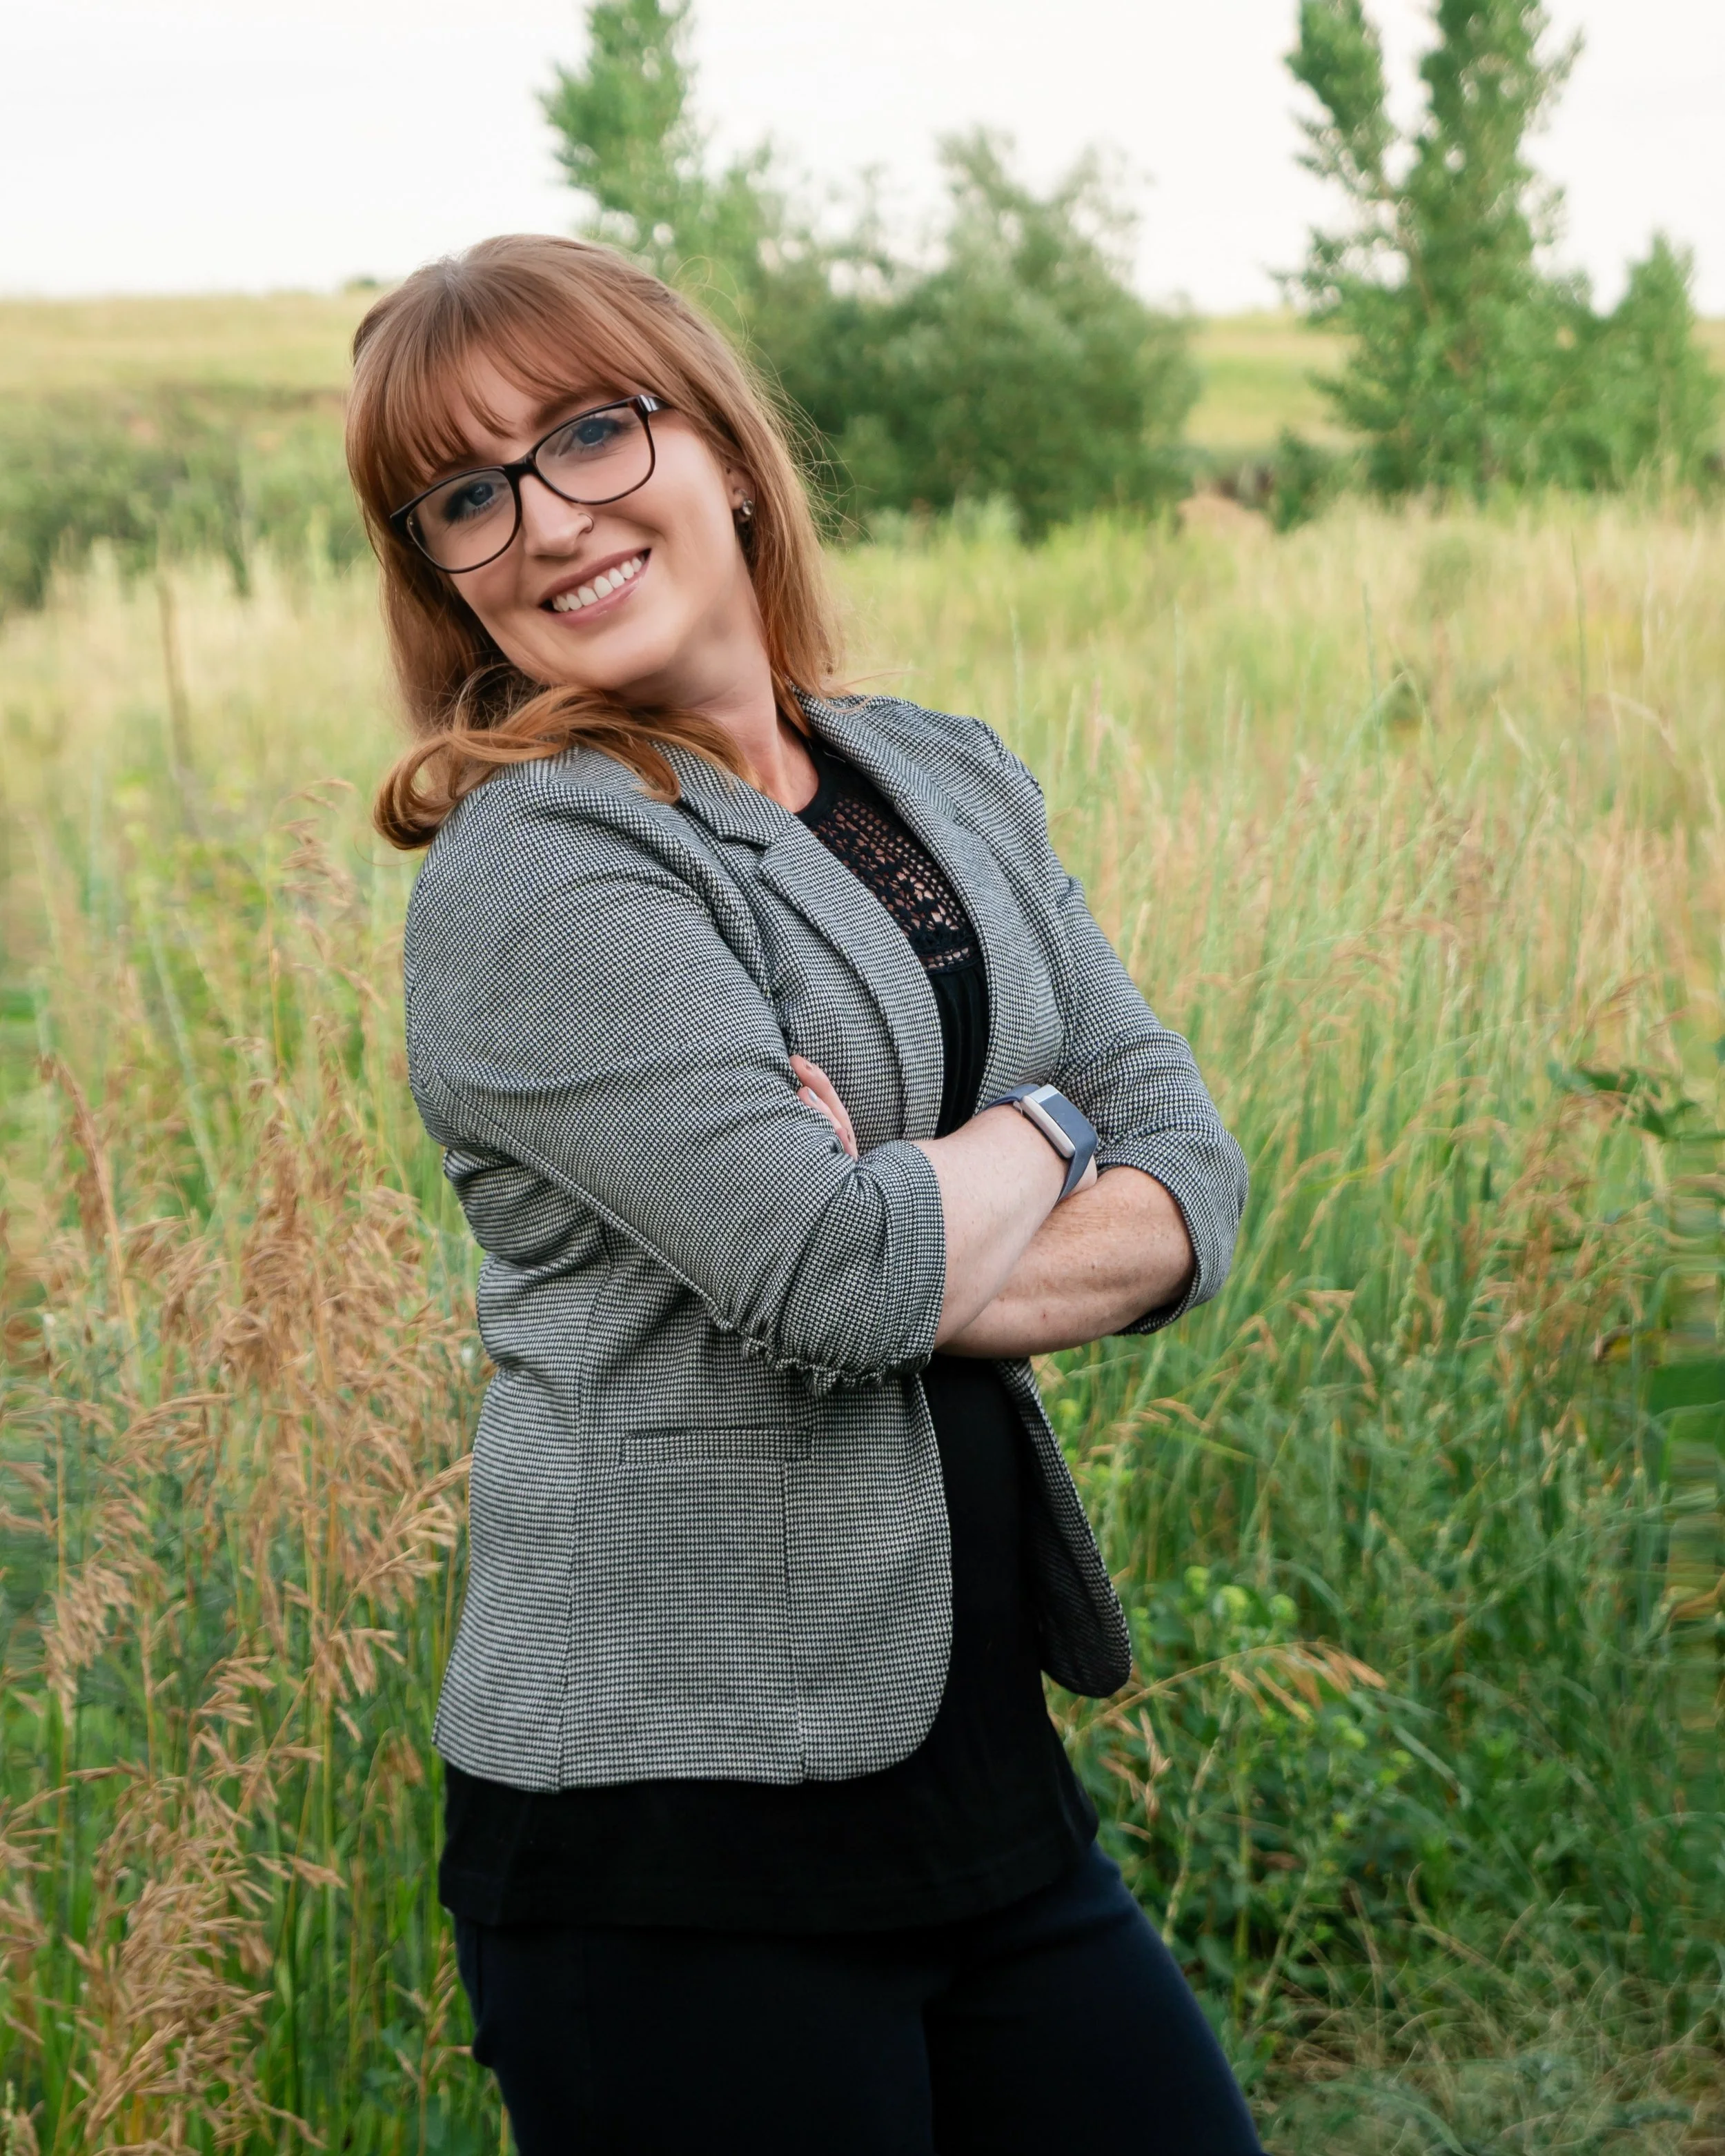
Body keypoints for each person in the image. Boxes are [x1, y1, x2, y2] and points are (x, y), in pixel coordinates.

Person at [346, 233, 1260, 2155]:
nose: (546, 518)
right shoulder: (548, 866)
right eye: (466, 491)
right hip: (675, 1845)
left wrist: (954, 1197)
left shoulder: (934, 771)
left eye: (594, 430)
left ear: (727, 451)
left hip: (967, 1761)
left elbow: (1199, 1169)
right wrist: (1047, 1125)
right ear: (437, 568)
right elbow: (843, 1282)